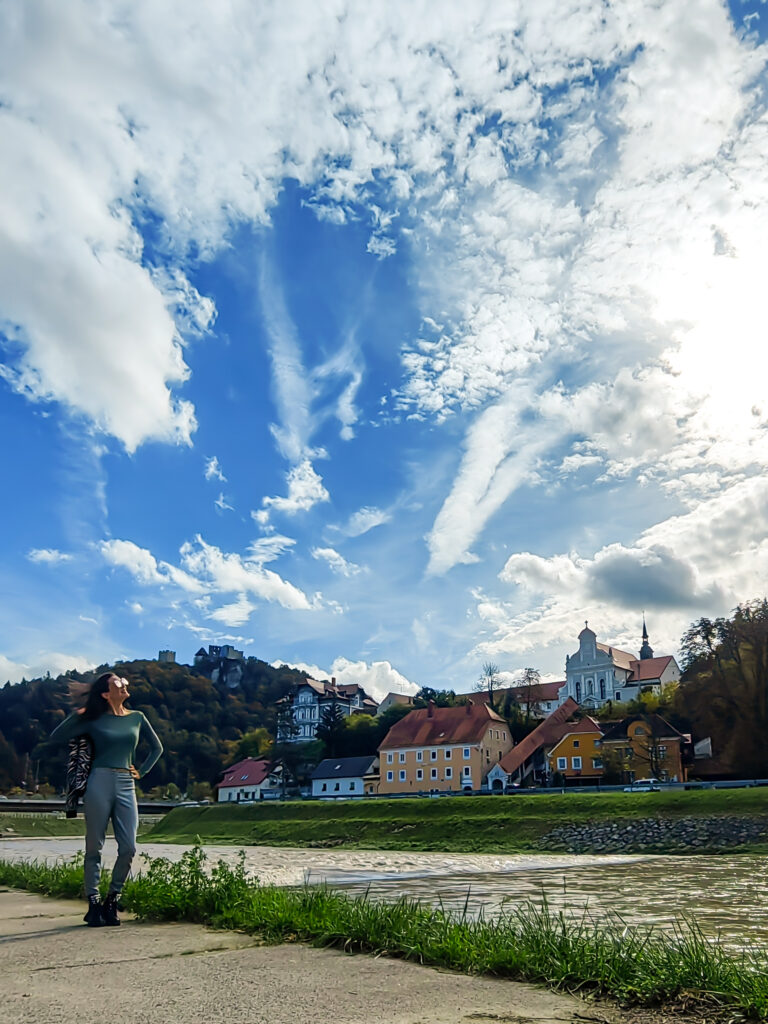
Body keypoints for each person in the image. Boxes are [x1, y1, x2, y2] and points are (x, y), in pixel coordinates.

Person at [50, 672, 163, 927]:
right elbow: (57, 736)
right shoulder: (93, 719)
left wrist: (142, 771)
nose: (124, 684)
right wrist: (77, 714)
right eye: (117, 683)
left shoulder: (137, 717)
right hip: (98, 781)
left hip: (126, 782)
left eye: (124, 682)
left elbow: (158, 748)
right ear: (105, 693)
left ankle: (112, 899)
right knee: (94, 846)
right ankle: (93, 902)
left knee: (129, 847)